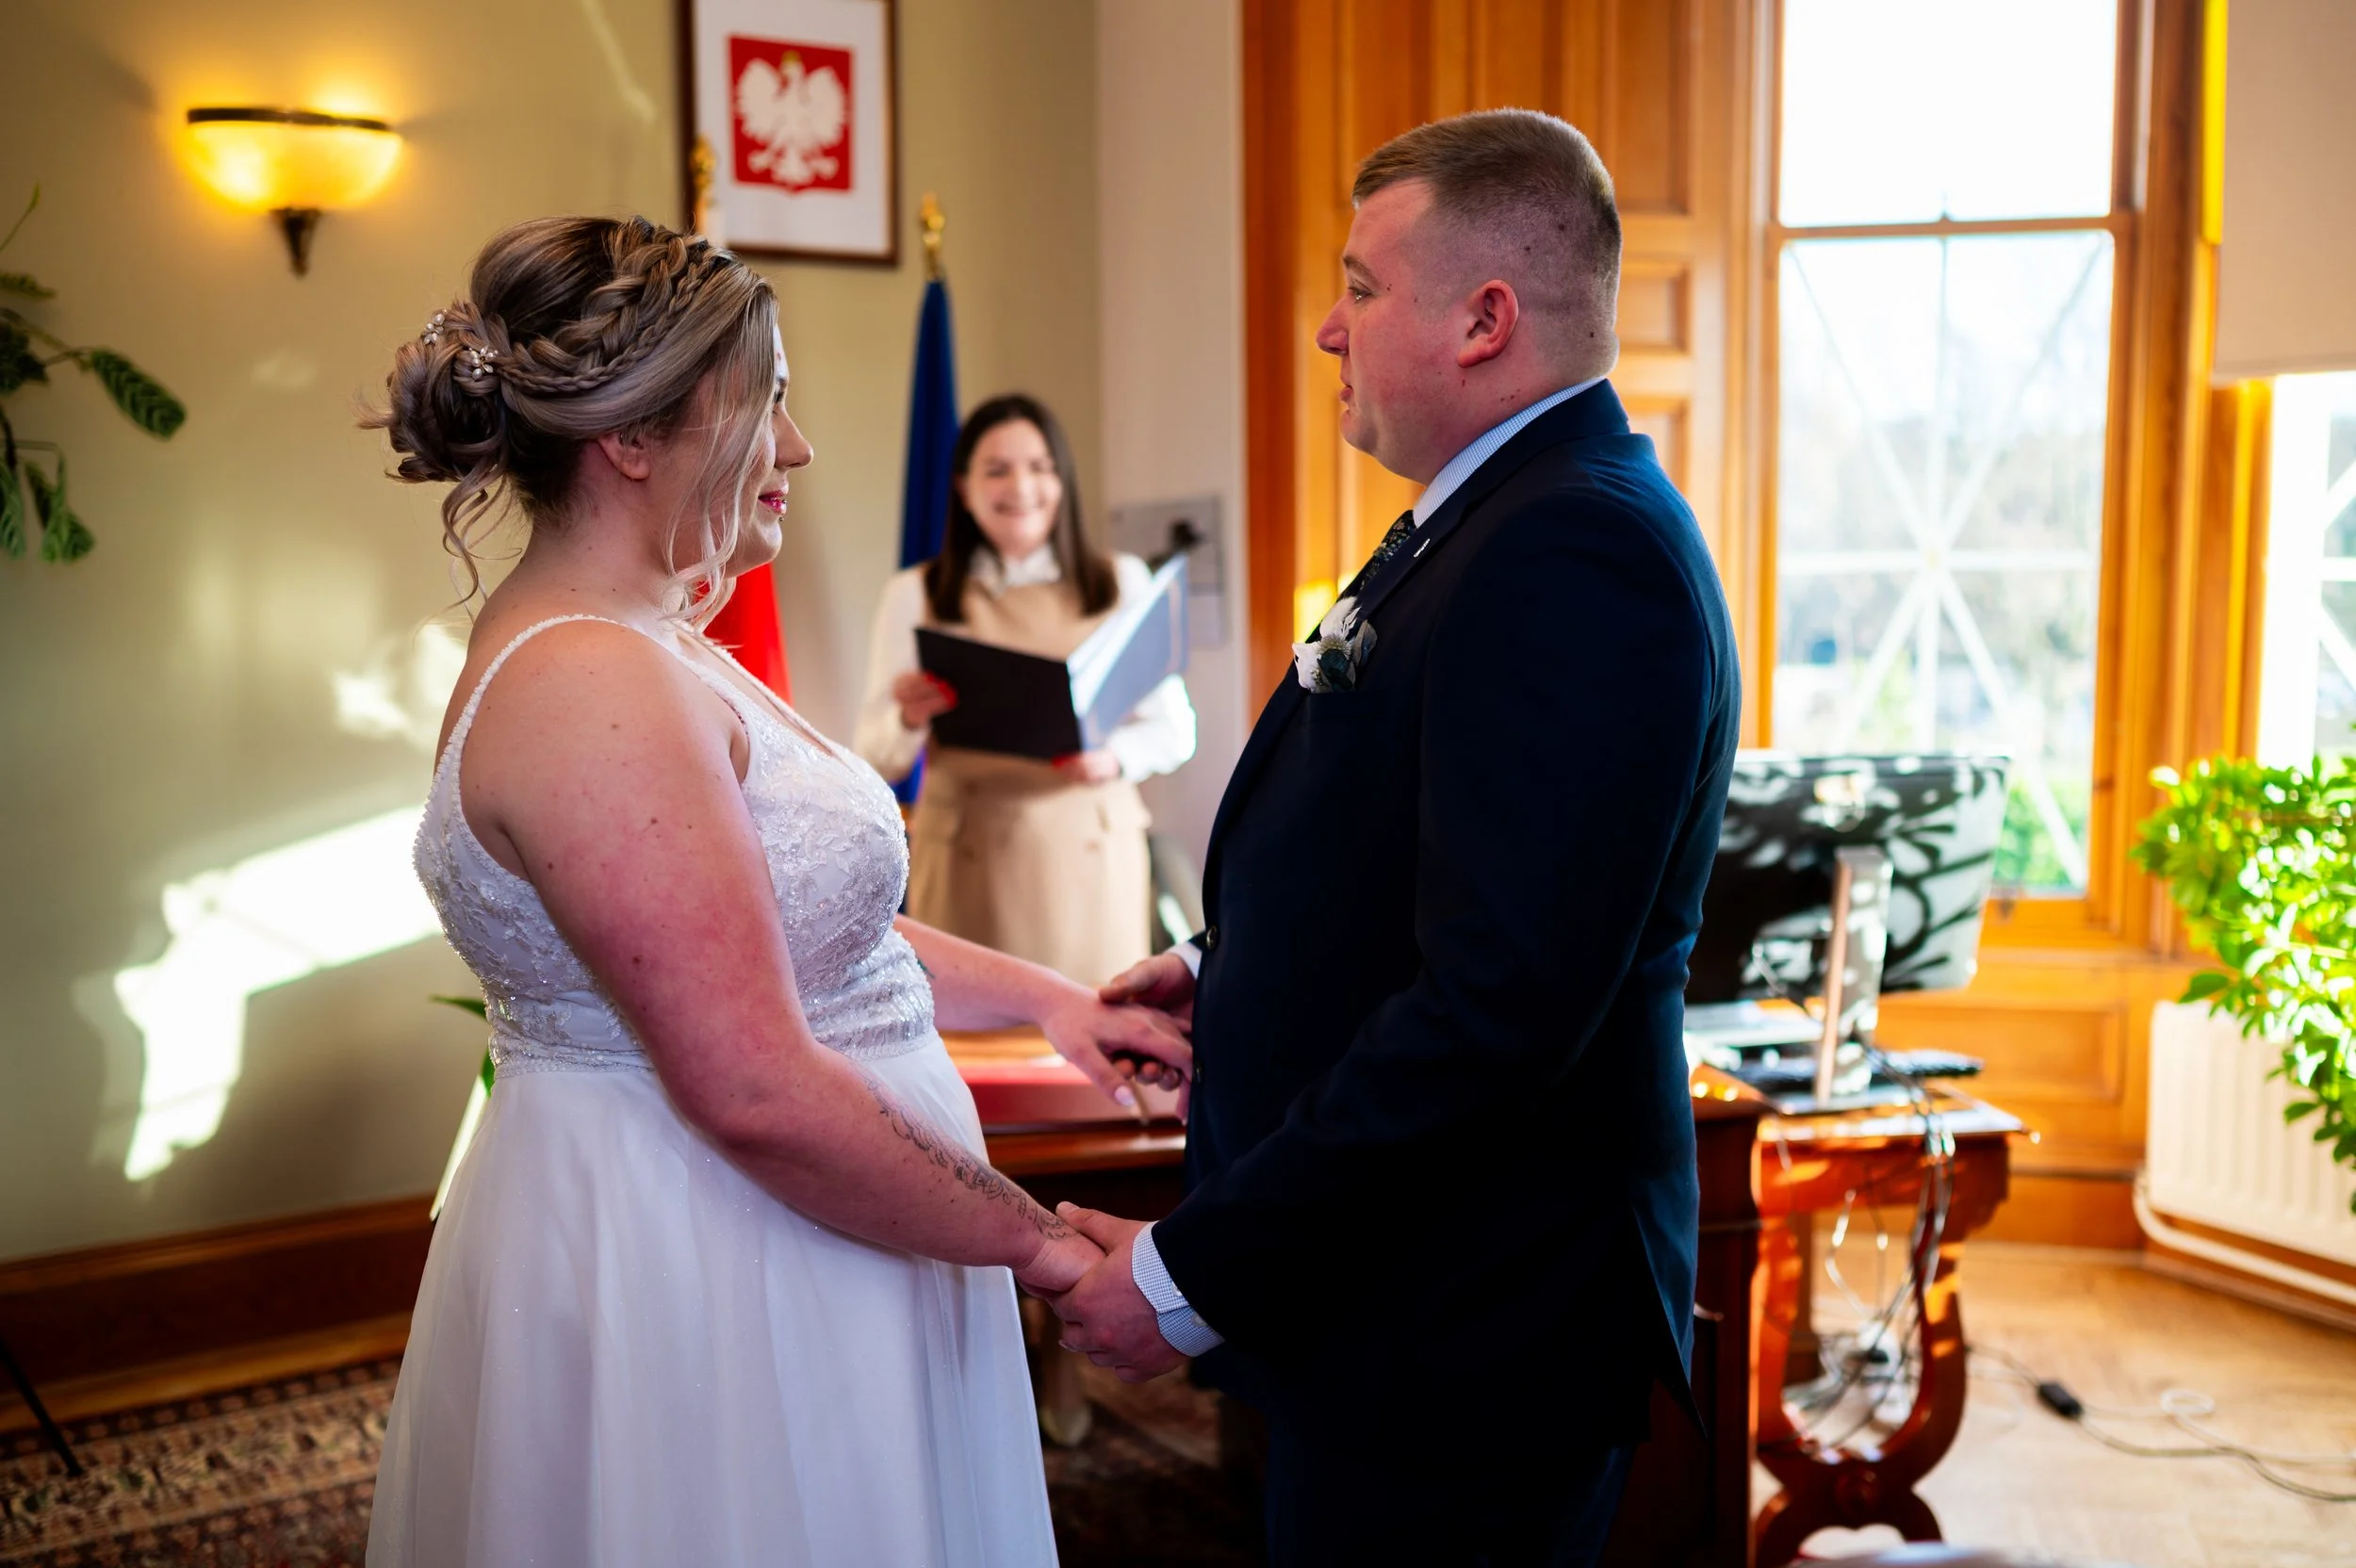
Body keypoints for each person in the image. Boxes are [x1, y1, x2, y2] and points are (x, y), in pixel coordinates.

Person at [360, 215, 1189, 1567]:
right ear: (633, 437)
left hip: (784, 1233)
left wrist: (1054, 1003)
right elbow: (751, 1082)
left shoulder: (647, 639)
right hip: (714, 1257)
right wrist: (1048, 1253)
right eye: (769, 402)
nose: (796, 446)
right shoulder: (590, 685)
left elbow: (792, 916)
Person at [1044, 109, 1742, 1566]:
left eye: (1361, 288)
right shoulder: (1489, 516)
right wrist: (1226, 964)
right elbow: (1420, 857)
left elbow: (1497, 1008)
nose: (1326, 328)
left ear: (1485, 319)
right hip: (1406, 1312)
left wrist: (1185, 1278)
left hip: (1471, 1328)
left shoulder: (1573, 549)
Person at [854, 395, 1196, 984]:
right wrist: (908, 719)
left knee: (1096, 1049)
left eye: (1040, 467)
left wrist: (1115, 758)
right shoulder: (917, 593)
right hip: (969, 859)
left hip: (1091, 858)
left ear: (1062, 481)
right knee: (971, 1059)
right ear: (963, 488)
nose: (1022, 487)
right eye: (997, 470)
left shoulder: (1122, 583)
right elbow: (874, 756)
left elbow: (1176, 729)